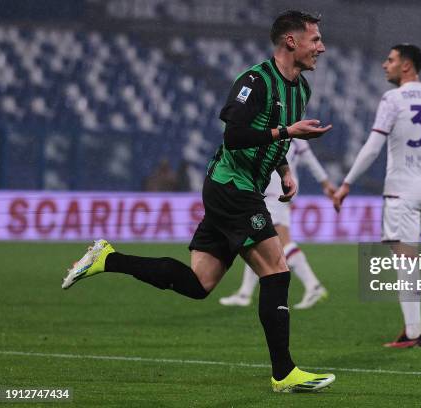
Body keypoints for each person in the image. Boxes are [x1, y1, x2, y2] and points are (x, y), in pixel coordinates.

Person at [62, 10, 336, 393]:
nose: (321, 47)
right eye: (315, 39)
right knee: (276, 271)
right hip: (231, 187)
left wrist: (284, 169)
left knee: (199, 283)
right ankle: (284, 373)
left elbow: (274, 138)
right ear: (291, 41)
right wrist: (288, 131)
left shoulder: (301, 90)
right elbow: (236, 135)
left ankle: (107, 258)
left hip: (244, 187)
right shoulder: (255, 81)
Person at [333, 44, 421, 348]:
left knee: (406, 261)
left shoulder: (394, 99)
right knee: (407, 259)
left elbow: (373, 146)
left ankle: (414, 332)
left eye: (391, 60)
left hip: (402, 192)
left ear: (407, 66)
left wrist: (346, 183)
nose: (385, 65)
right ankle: (412, 328)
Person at [220, 139, 334, 309]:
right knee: (256, 238)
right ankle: (244, 293)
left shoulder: (274, 128)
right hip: (284, 189)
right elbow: (309, 158)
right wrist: (325, 183)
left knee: (279, 241)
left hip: (274, 191)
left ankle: (313, 286)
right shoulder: (294, 132)